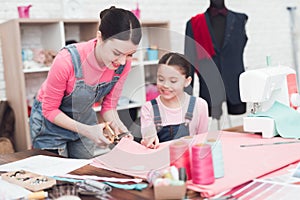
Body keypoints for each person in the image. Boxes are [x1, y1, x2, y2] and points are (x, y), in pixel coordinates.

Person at [29, 6, 142, 159]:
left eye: (130, 54)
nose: (122, 61)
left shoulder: (123, 64)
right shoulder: (67, 60)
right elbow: (49, 110)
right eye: (117, 53)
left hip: (83, 118)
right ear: (100, 37)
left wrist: (121, 130)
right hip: (49, 123)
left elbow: (109, 107)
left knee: (84, 174)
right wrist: (87, 130)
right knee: (57, 176)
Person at [184, 0, 248, 121]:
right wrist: (187, 97)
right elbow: (189, 62)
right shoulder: (194, 24)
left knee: (238, 117)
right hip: (209, 87)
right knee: (212, 122)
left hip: (235, 86)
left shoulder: (240, 20)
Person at [140, 52, 209, 149]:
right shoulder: (148, 108)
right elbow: (148, 136)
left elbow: (202, 141)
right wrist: (149, 139)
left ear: (187, 81)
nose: (166, 85)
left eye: (173, 81)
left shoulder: (200, 105)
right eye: (161, 79)